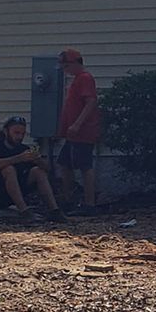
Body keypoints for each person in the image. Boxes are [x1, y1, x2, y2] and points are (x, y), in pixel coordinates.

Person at [0, 116, 65, 222]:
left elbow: (47, 169)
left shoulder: (23, 149)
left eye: (22, 134)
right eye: (16, 133)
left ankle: (54, 211)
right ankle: (24, 211)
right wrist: (18, 158)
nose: (20, 137)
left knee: (38, 171)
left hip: (7, 198)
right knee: (9, 169)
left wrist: (38, 159)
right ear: (6, 131)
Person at [55, 48, 103, 213]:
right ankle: (69, 199)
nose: (65, 70)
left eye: (66, 66)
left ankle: (89, 204)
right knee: (64, 163)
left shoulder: (85, 78)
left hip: (82, 132)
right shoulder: (76, 80)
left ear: (75, 63)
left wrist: (77, 124)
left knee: (85, 166)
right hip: (72, 135)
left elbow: (91, 102)